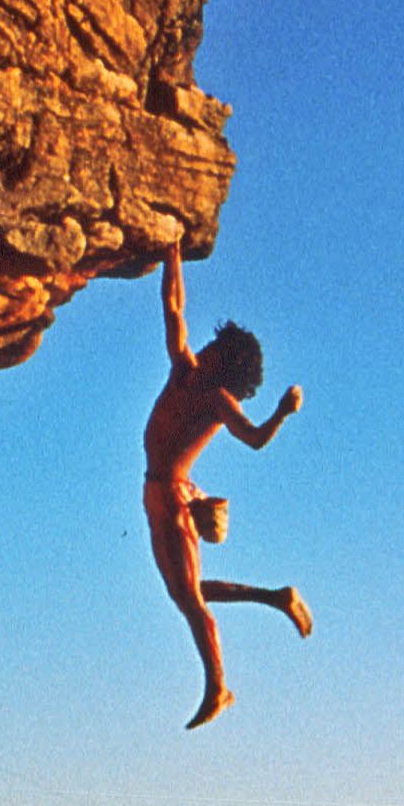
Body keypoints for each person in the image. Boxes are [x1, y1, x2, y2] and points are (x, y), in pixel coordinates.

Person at [142, 240, 309, 726]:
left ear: (226, 363)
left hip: (172, 494)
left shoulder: (217, 401)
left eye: (216, 348)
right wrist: (173, 252)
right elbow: (173, 308)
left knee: (190, 601)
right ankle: (278, 598)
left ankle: (218, 687)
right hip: (164, 490)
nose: (206, 346)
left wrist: (281, 411)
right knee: (184, 591)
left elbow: (254, 439)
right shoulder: (184, 369)